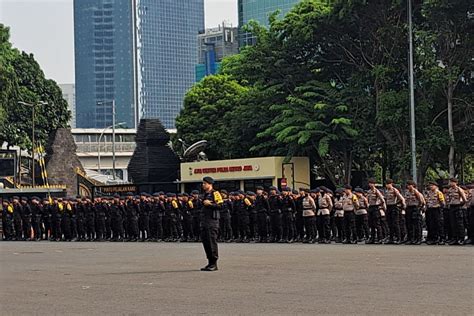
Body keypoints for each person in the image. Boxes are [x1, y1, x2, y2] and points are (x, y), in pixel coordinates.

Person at [200, 176, 223, 272]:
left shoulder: (215, 193)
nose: (203, 185)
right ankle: (209, 262)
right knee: (206, 242)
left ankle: (214, 263)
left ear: (210, 184)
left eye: (205, 183)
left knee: (211, 242)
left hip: (212, 221)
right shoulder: (205, 194)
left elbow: (220, 205)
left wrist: (210, 204)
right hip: (205, 221)